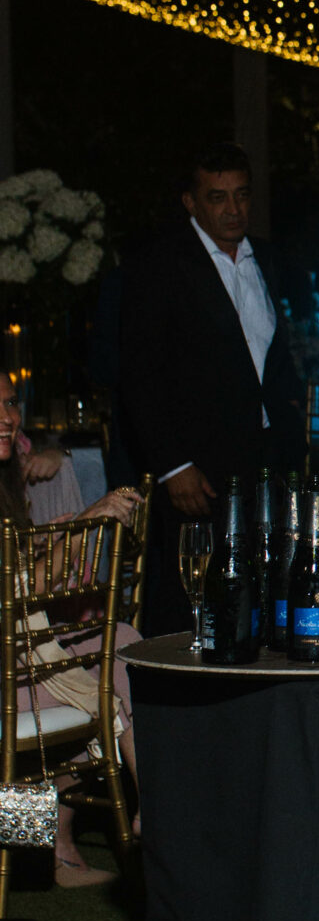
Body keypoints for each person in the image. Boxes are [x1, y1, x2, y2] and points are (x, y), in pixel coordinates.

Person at [118, 140, 303, 634]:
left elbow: (274, 352)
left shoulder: (265, 257)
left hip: (265, 451)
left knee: (269, 579)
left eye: (241, 196)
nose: (232, 209)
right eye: (217, 197)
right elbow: (139, 374)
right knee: (197, 593)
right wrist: (172, 463)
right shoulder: (160, 265)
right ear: (191, 202)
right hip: (198, 461)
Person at [0, 369, 144, 887]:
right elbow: (15, 590)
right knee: (118, 663)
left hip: (16, 656)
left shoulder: (7, 479)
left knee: (120, 653)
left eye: (11, 402)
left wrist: (69, 519)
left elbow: (20, 562)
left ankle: (47, 852)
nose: (8, 417)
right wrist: (86, 522)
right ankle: (156, 812)